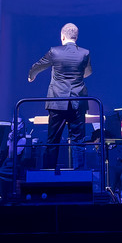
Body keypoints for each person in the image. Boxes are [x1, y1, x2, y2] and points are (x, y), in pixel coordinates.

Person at [28, 22, 92, 169]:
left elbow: (38, 65)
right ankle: (79, 175)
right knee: (78, 141)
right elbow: (87, 72)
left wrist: (32, 75)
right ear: (76, 37)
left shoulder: (54, 51)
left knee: (53, 140)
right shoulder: (85, 53)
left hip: (57, 101)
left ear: (62, 36)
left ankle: (49, 173)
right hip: (78, 101)